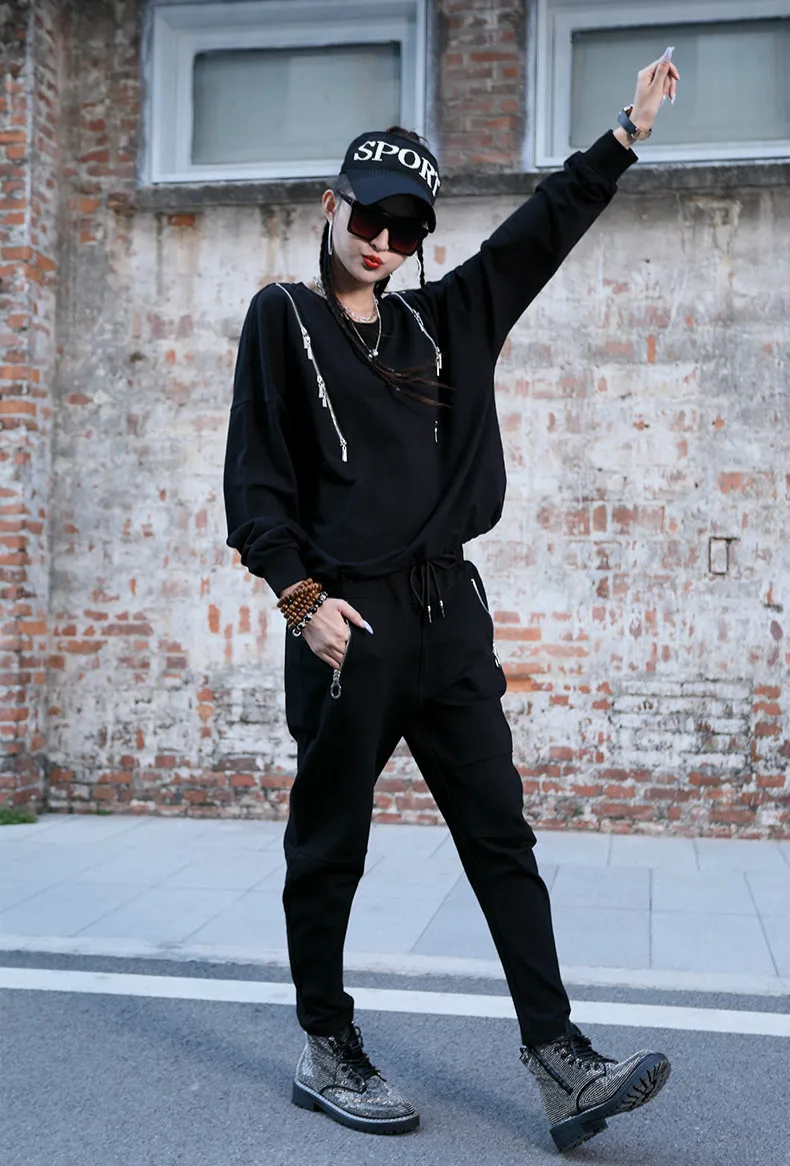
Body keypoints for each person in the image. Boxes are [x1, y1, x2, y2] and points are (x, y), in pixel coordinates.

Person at [224, 54, 680, 1155]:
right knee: (328, 846)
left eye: (406, 228)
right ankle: (327, 1044)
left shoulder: (444, 322)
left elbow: (537, 233)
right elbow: (256, 486)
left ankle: (559, 1059)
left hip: (449, 616)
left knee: (500, 836)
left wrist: (625, 134)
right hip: (348, 626)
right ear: (330, 205)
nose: (383, 240)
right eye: (368, 216)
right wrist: (300, 599)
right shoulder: (283, 318)